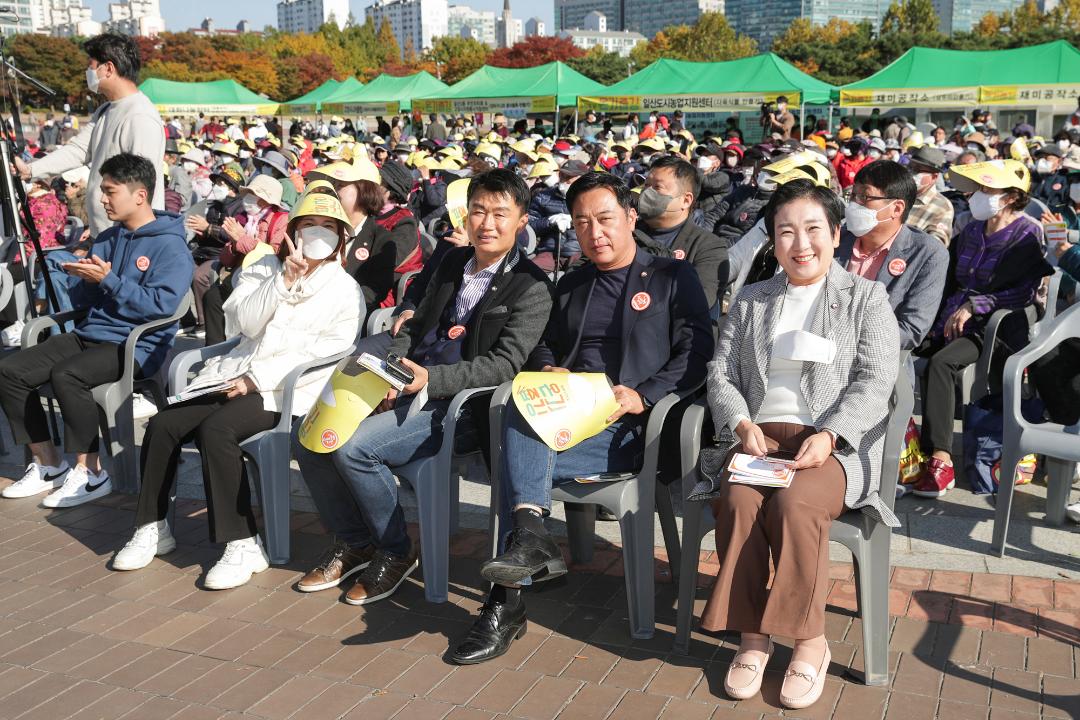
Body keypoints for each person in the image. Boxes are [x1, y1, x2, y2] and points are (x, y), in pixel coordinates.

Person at [450, 172, 713, 665]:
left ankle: (506, 599)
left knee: (515, 446)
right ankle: (529, 543)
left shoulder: (671, 277)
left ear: (632, 218)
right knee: (514, 411)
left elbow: (696, 353)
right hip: (572, 409)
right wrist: (550, 367)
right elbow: (548, 341)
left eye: (606, 219)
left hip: (634, 423)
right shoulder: (571, 282)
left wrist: (644, 394)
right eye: (583, 222)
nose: (596, 233)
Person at [291, 169, 554, 603]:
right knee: (311, 436)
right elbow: (413, 323)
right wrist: (392, 369)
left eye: (500, 214)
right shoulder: (452, 261)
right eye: (478, 211)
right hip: (408, 380)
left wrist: (430, 379)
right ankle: (355, 539)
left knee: (354, 448)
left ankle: (395, 551)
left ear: (522, 221)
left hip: (460, 407)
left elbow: (504, 366)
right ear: (466, 216)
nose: (487, 224)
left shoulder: (531, 286)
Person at [690, 179, 899, 710]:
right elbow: (721, 371)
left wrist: (830, 434)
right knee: (737, 500)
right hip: (759, 439)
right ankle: (753, 637)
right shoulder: (754, 298)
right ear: (772, 242)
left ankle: (809, 641)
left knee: (794, 502)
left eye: (812, 230)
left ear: (835, 234)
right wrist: (740, 424)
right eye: (786, 232)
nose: (800, 244)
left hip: (831, 445)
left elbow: (876, 381)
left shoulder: (866, 297)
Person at [111, 190, 362, 588]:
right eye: (310, 225)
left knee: (218, 431)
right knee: (164, 425)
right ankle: (152, 525)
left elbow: (328, 350)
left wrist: (257, 380)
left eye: (329, 228)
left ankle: (242, 541)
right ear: (293, 232)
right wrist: (282, 281)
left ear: (341, 239)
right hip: (233, 374)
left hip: (285, 391)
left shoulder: (344, 289)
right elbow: (242, 323)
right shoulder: (265, 266)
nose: (319, 234)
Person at [0, 153, 194, 506]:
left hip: (136, 345)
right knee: (10, 371)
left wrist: (110, 280)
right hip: (92, 333)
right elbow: (90, 299)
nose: (102, 199)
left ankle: (90, 473)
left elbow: (161, 307)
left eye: (109, 191)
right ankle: (49, 464)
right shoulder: (108, 237)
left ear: (139, 195)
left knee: (67, 375)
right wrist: (82, 276)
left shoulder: (171, 245)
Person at [914, 160, 1052, 498]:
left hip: (999, 324)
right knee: (905, 351)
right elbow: (953, 280)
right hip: (954, 316)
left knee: (942, 363)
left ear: (1009, 197)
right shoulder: (970, 228)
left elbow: (1024, 291)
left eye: (986, 190)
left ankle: (940, 456)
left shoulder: (1027, 231)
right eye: (977, 190)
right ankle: (905, 447)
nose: (977, 197)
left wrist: (976, 305)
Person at [15, 33, 164, 238]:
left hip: (127, 236)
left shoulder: (140, 116)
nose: (88, 72)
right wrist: (31, 170)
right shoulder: (105, 110)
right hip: (105, 232)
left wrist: (133, 239)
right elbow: (78, 150)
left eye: (91, 66)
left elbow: (141, 187)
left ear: (109, 68)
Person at [835, 161, 949, 351]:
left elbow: (911, 330)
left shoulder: (928, 254)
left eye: (864, 196)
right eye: (853, 195)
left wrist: (843, 338)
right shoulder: (837, 237)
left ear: (896, 208)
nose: (854, 204)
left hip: (875, 360)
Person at [309, 160, 420, 313]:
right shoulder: (334, 222)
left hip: (373, 301)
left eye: (340, 186)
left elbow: (384, 270)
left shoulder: (400, 224)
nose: (334, 191)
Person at [203, 175, 290, 346]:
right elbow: (226, 259)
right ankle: (213, 351)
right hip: (239, 272)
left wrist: (241, 238)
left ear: (265, 200)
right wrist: (234, 244)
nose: (247, 198)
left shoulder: (281, 220)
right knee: (212, 297)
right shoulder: (245, 218)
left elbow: (273, 254)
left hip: (263, 280)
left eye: (252, 194)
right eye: (247, 192)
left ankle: (236, 348)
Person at [636, 155, 729, 310]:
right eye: (646, 186)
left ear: (686, 200)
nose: (647, 193)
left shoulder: (710, 247)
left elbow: (697, 302)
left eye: (657, 187)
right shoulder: (625, 231)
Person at [527, 159, 588, 272]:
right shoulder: (543, 196)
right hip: (549, 252)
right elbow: (529, 228)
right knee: (530, 272)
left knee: (575, 276)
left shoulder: (590, 197)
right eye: (562, 175)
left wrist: (575, 221)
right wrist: (549, 222)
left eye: (569, 177)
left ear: (581, 179)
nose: (564, 180)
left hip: (580, 251)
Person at [905, 146, 954, 246]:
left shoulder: (943, 207)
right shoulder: (894, 192)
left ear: (934, 177)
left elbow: (935, 247)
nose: (911, 173)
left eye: (918, 170)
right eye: (910, 167)